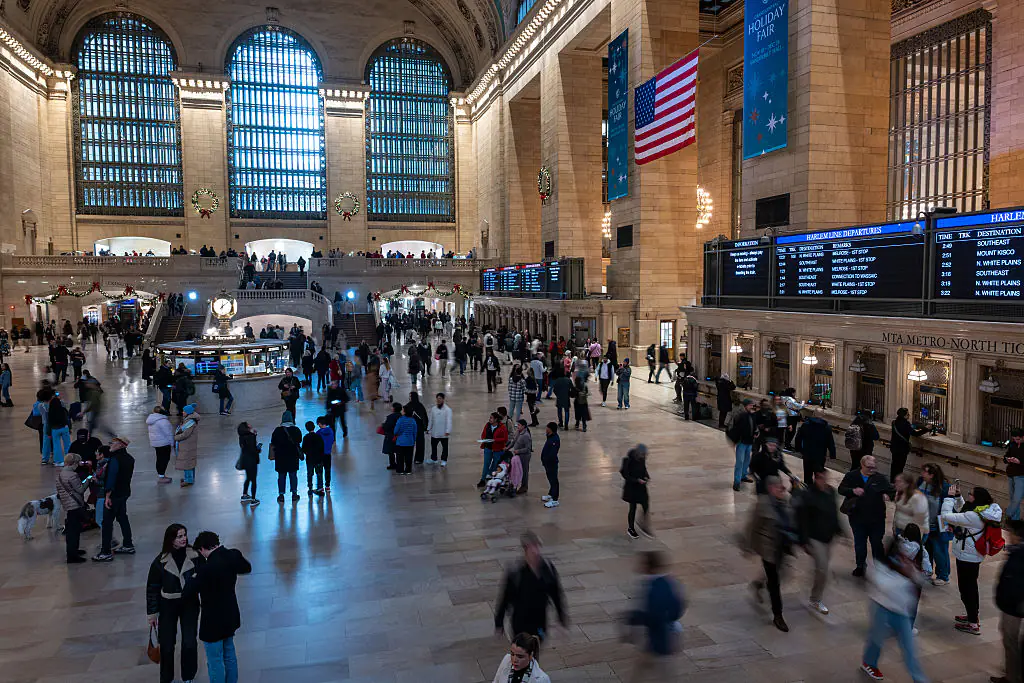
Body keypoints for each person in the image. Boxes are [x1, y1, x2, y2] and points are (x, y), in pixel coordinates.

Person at [184, 531, 252, 683]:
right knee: (229, 653)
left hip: (212, 620)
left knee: (215, 660)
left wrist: (193, 577)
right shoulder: (232, 555)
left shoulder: (206, 568)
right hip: (230, 614)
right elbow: (246, 568)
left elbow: (189, 590)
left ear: (202, 549)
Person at [860, 535, 928, 682]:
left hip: (902, 613)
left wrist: (912, 573)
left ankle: (920, 680)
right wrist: (906, 574)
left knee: (909, 650)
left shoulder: (905, 565)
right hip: (881, 609)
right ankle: (869, 663)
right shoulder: (878, 566)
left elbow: (919, 580)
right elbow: (884, 586)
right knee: (876, 639)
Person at [940, 484, 1002, 635]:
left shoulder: (974, 516)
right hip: (972, 555)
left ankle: (973, 623)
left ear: (976, 498)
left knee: (967, 589)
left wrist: (948, 498)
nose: (968, 495)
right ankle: (972, 616)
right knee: (970, 588)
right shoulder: (983, 511)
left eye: (970, 494)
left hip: (967, 557)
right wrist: (958, 497)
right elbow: (964, 510)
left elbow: (947, 516)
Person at [146, 524, 201, 683]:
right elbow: (152, 588)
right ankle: (166, 678)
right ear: (171, 539)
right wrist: (152, 613)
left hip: (189, 603)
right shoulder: (160, 562)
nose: (183, 539)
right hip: (168, 605)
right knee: (167, 645)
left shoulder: (195, 556)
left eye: (184, 535)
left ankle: (188, 677)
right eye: (179, 536)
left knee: (189, 642)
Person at [494, 532, 567, 641]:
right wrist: (499, 624)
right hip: (520, 625)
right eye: (531, 548)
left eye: (537, 547)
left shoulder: (547, 568)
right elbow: (505, 599)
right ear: (525, 550)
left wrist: (561, 619)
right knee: (523, 649)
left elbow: (556, 594)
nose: (535, 551)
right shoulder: (516, 572)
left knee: (538, 643)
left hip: (540, 624)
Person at [746, 475, 796, 632]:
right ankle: (778, 615)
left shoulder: (785, 500)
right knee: (775, 583)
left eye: (781, 485)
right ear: (770, 488)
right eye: (777, 486)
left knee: (781, 574)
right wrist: (750, 547)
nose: (780, 488)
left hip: (783, 546)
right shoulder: (762, 504)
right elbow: (753, 527)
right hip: (769, 549)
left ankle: (758, 584)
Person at [839, 455, 893, 577]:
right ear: (862, 465)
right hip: (857, 518)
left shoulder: (880, 478)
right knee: (860, 543)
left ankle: (880, 568)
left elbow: (892, 491)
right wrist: (853, 491)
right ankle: (860, 566)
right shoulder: (852, 476)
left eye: (874, 467)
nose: (872, 470)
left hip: (876, 519)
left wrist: (888, 496)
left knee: (877, 543)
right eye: (869, 467)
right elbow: (841, 489)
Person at [626, 550, 685, 661]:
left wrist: (634, 626)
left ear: (650, 567)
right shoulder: (669, 582)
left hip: (660, 634)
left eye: (643, 564)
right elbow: (678, 607)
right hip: (666, 631)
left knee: (653, 663)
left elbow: (649, 612)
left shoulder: (652, 587)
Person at [93, 436, 136, 562]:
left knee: (107, 523)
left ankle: (105, 551)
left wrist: (107, 496)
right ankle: (128, 544)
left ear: (121, 445)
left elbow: (112, 478)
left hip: (114, 495)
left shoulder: (114, 459)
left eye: (113, 443)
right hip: (124, 492)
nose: (110, 444)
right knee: (122, 518)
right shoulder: (129, 458)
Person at [993, 520, 1024, 683]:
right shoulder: (1016, 552)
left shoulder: (1020, 555)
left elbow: (1014, 583)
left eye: (1010, 532)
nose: (1008, 535)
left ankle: (1012, 677)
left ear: (1017, 536)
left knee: (1010, 640)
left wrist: (1007, 601)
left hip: (1014, 607)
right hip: (1013, 605)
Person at [918, 462, 953, 586]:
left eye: (925, 472)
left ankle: (943, 576)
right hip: (924, 524)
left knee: (940, 551)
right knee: (927, 550)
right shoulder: (921, 482)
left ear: (932, 475)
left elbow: (949, 507)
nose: (922, 474)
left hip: (939, 525)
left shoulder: (945, 488)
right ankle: (927, 571)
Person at [54, 453, 87, 564]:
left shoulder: (60, 474)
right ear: (74, 463)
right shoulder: (72, 475)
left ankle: (74, 551)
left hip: (67, 505)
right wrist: (88, 479)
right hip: (75, 505)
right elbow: (80, 489)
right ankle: (72, 556)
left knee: (72, 530)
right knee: (74, 532)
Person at [793, 407, 836, 484]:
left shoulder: (806, 425)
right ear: (823, 415)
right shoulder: (826, 427)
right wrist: (832, 454)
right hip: (820, 455)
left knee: (807, 475)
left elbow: (798, 438)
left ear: (813, 414)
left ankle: (808, 489)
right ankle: (816, 489)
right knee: (819, 476)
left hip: (807, 454)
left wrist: (799, 449)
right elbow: (830, 442)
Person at [271, 411, 303, 503]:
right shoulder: (296, 430)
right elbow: (299, 440)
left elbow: (273, 442)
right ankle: (294, 494)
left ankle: (281, 495)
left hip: (280, 457)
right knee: (293, 475)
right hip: (293, 457)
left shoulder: (277, 431)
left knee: (281, 476)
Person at [621, 444, 652, 539]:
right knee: (633, 508)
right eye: (643, 454)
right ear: (638, 453)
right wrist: (637, 480)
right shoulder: (628, 460)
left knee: (645, 504)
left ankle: (642, 523)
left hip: (641, 487)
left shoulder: (642, 459)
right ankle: (631, 529)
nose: (644, 456)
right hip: (632, 488)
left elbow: (644, 469)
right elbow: (625, 474)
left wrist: (647, 476)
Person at [727, 399, 758, 491]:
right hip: (741, 442)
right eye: (750, 405)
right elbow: (734, 428)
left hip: (749, 441)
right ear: (746, 406)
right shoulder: (740, 415)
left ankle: (743, 476)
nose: (752, 407)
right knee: (740, 462)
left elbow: (753, 426)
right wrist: (734, 440)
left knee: (746, 460)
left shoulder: (751, 415)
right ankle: (736, 482)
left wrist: (755, 432)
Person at [890, 407, 928, 479]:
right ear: (904, 415)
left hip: (894, 448)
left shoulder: (894, 422)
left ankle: (893, 481)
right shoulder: (906, 424)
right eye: (907, 414)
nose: (909, 415)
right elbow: (915, 433)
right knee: (900, 467)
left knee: (894, 466)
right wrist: (926, 429)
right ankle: (898, 482)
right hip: (902, 450)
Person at [478, 412, 508, 488]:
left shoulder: (502, 427)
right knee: (486, 464)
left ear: (496, 419)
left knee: (495, 464)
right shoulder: (487, 425)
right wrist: (484, 439)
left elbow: (505, 438)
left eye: (491, 418)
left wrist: (495, 440)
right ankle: (483, 479)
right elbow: (483, 434)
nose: (490, 419)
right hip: (488, 447)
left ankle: (493, 478)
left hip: (497, 449)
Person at [893, 472, 928, 537]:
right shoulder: (900, 493)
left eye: (899, 481)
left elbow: (921, 518)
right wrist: (894, 526)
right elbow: (897, 512)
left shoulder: (918, 497)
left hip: (911, 532)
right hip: (899, 528)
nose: (896, 484)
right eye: (896, 481)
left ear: (907, 484)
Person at [173, 405, 200, 488]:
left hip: (187, 445)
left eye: (184, 411)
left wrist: (175, 437)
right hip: (188, 444)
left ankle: (188, 480)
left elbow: (185, 434)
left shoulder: (190, 422)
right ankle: (189, 478)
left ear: (188, 412)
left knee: (187, 463)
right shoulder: (189, 419)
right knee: (189, 462)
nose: (182, 412)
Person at [147, 406, 174, 484]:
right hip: (164, 443)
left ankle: (161, 475)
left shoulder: (151, 420)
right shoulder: (163, 421)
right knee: (164, 459)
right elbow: (168, 433)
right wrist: (172, 443)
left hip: (156, 443)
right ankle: (161, 477)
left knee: (159, 459)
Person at [237, 422, 260, 506]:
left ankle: (244, 494)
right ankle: (253, 499)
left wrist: (254, 436)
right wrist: (258, 448)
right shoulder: (251, 436)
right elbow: (253, 449)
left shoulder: (241, 437)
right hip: (252, 461)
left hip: (245, 461)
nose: (250, 424)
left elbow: (247, 447)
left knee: (248, 478)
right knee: (253, 480)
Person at [427, 392, 453, 466]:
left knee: (445, 447)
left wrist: (448, 430)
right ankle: (434, 458)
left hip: (444, 432)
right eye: (437, 398)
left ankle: (444, 460)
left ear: (443, 399)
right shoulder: (433, 409)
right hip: (435, 431)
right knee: (433, 446)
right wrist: (428, 428)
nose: (438, 400)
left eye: (440, 398)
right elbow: (431, 419)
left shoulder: (448, 410)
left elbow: (449, 421)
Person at [1005, 428, 1024, 521]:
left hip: (1021, 475)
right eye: (1014, 439)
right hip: (1011, 473)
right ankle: (1014, 519)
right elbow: (1006, 455)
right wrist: (1007, 459)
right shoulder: (1012, 444)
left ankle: (1008, 514)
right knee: (1012, 498)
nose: (1016, 441)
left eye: (1018, 439)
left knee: (1017, 498)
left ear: (1023, 437)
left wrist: (1019, 462)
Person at [540, 422, 560, 509]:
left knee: (554, 480)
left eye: (547, 428)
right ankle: (551, 494)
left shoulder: (555, 439)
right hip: (547, 463)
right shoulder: (550, 436)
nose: (546, 429)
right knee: (550, 479)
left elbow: (553, 453)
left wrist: (547, 460)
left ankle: (555, 499)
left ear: (550, 429)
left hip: (551, 463)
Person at [393, 404, 418, 475]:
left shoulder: (400, 420)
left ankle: (400, 470)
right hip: (410, 442)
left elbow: (395, 431)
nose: (402, 411)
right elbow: (415, 432)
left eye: (403, 410)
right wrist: (413, 440)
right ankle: (408, 470)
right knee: (409, 457)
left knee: (400, 457)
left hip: (400, 442)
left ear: (405, 412)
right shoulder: (413, 420)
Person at [510, 420, 533, 495]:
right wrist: (507, 448)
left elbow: (528, 449)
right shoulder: (518, 432)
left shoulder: (526, 436)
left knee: (524, 471)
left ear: (523, 426)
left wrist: (518, 451)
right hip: (518, 455)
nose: (517, 426)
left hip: (524, 456)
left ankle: (524, 486)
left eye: (519, 425)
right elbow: (514, 441)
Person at [302, 421, 325, 496]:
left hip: (310, 459)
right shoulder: (318, 436)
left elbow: (303, 449)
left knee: (310, 474)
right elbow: (322, 447)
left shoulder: (306, 437)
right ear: (314, 427)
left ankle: (310, 488)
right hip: (318, 459)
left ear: (306, 428)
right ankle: (320, 488)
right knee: (319, 473)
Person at [405, 391, 428, 464]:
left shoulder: (410, 406)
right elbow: (425, 417)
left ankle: (416, 458)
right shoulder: (419, 406)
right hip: (415, 427)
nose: (409, 398)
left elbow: (424, 416)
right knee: (416, 443)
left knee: (417, 443)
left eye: (410, 396)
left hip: (415, 427)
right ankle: (415, 458)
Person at [315, 416, 335, 491]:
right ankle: (327, 486)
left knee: (320, 471)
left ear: (320, 423)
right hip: (328, 453)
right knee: (327, 469)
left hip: (320, 454)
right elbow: (332, 440)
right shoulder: (331, 431)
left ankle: (320, 487)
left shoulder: (318, 433)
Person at [382, 402, 402, 471]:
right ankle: (400, 464)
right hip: (400, 436)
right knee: (399, 451)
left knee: (391, 451)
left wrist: (383, 426)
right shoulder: (402, 416)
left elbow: (387, 427)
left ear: (394, 408)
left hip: (391, 436)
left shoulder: (390, 417)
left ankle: (392, 464)